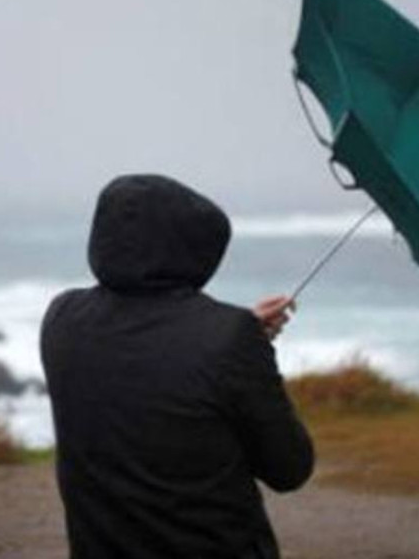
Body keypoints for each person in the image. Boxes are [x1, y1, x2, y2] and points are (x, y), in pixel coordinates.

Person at [40, 174, 314, 559]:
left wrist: (237, 339)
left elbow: (147, 354)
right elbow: (290, 468)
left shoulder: (62, 318)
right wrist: (245, 347)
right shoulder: (228, 338)